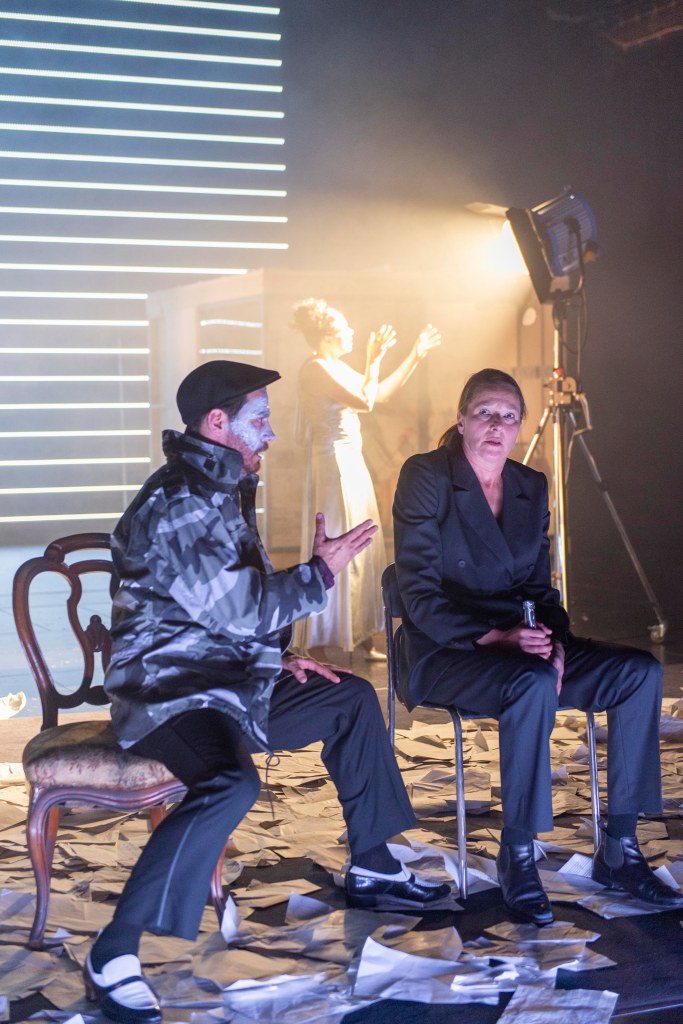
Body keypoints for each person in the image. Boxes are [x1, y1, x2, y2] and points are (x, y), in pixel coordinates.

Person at [84, 360, 449, 1024]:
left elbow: (223, 613)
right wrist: (320, 573)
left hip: (227, 680)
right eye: (260, 420)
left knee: (348, 699)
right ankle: (113, 950)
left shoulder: (221, 488)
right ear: (216, 422)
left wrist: (280, 657)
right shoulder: (180, 502)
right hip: (170, 693)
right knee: (231, 782)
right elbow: (241, 609)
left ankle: (371, 863)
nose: (271, 433)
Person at [393, 367, 683, 926]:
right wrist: (498, 636)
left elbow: (540, 590)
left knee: (639, 672)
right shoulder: (427, 476)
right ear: (461, 419)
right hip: (448, 650)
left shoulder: (531, 485)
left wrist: (556, 644)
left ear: (520, 425)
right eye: (484, 413)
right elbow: (418, 595)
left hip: (521, 645)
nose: (496, 426)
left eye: (508, 416)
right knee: (529, 682)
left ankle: (621, 850)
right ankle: (518, 851)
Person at [292, 297, 440, 660]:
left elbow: (379, 393)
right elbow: (365, 401)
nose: (352, 331)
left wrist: (414, 355)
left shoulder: (336, 366)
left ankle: (360, 635)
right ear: (327, 335)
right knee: (338, 542)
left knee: (362, 545)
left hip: (351, 462)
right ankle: (324, 637)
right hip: (332, 467)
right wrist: (374, 360)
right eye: (346, 327)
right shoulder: (315, 369)